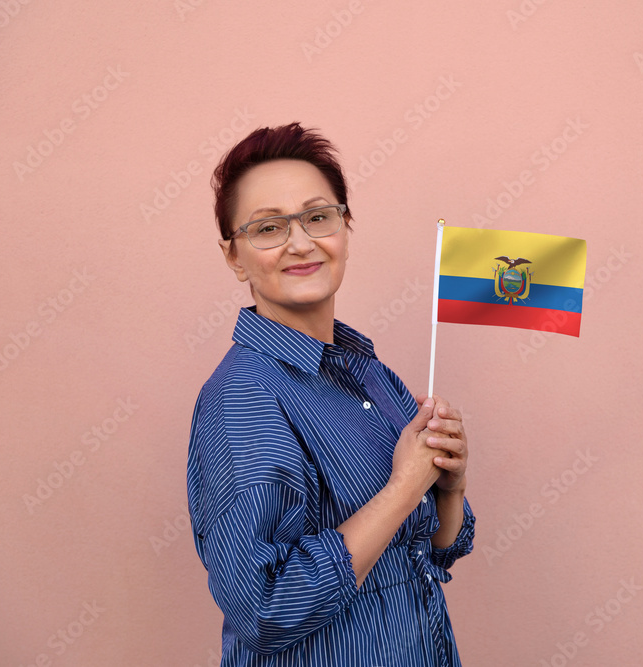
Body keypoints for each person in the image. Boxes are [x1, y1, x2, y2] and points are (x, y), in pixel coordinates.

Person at [186, 123, 475, 666]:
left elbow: (434, 553)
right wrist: (403, 487)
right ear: (234, 257)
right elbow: (265, 609)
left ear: (345, 228)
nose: (300, 243)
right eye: (268, 227)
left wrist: (448, 489)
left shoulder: (371, 375)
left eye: (318, 217)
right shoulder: (243, 399)